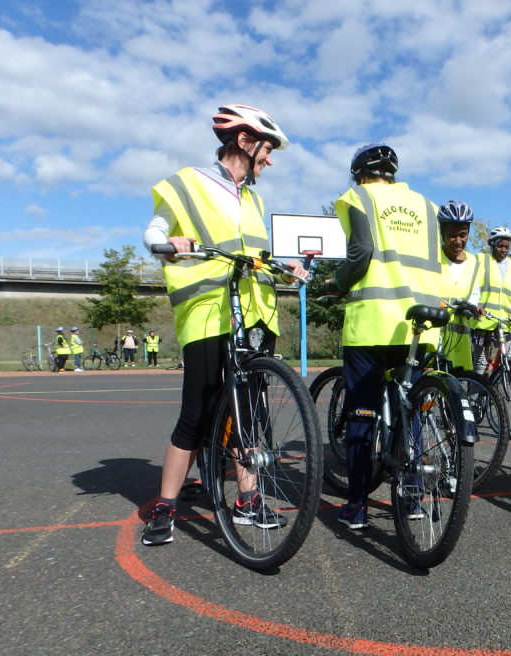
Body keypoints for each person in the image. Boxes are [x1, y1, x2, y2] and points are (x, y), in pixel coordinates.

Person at [139, 104, 307, 547]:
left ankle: (247, 500)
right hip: (207, 311)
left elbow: (252, 256)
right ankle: (166, 504)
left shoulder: (253, 198)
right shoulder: (189, 182)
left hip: (252, 314)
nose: (269, 160)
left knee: (249, 413)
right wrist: (168, 243)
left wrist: (283, 269)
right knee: (197, 411)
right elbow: (153, 231)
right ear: (245, 142)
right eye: (267, 149)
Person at [327, 143, 443, 529]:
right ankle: (412, 496)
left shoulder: (359, 196)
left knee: (362, 414)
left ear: (360, 173)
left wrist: (337, 282)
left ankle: (357, 505)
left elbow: (361, 252)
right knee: (409, 410)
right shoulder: (426, 205)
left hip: (374, 321)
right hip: (420, 325)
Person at [437, 200, 482, 371]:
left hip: (459, 343)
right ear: (442, 234)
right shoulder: (431, 258)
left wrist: (472, 307)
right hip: (433, 340)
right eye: (451, 236)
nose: (458, 241)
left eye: (463, 235)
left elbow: (474, 295)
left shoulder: (474, 263)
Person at [470, 226, 511, 374]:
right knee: (480, 363)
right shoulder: (481, 260)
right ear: (492, 245)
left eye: (507, 246)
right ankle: (475, 394)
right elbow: (473, 285)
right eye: (500, 246)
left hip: (505, 322)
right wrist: (474, 305)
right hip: (483, 320)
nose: (504, 250)